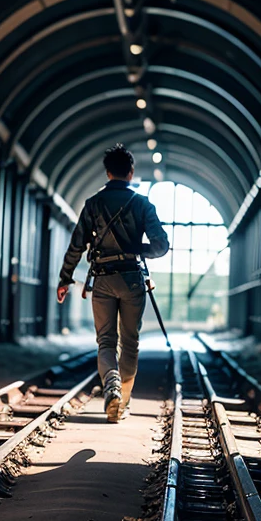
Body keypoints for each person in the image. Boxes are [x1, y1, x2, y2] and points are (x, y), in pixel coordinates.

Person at [57, 144, 169, 422]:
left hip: (103, 280)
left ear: (108, 173)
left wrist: (65, 278)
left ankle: (112, 385)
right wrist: (137, 249)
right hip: (132, 279)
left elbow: (76, 245)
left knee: (106, 342)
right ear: (130, 173)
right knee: (130, 342)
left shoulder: (92, 203)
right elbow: (162, 245)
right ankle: (123, 402)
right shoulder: (143, 204)